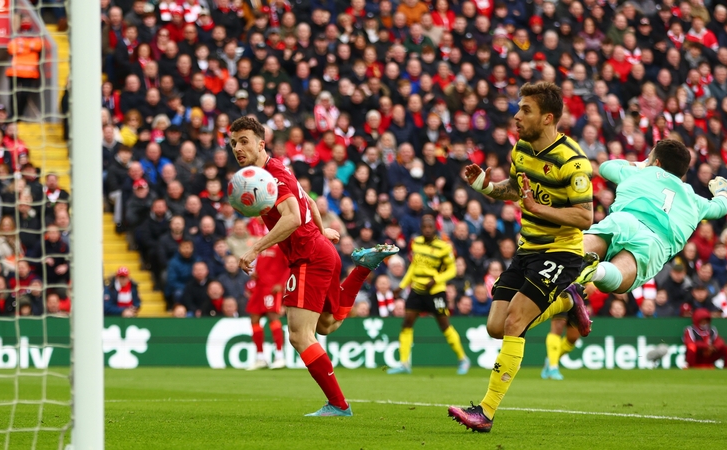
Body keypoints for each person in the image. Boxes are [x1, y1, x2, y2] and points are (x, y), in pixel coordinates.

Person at [448, 82, 594, 433]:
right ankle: (567, 301)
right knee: (496, 326)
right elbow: (514, 189)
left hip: (561, 250)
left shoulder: (573, 161)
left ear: (547, 117)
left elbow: (585, 217)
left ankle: (485, 411)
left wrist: (537, 207)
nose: (516, 115)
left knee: (515, 322)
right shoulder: (522, 149)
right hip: (528, 248)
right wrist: (485, 186)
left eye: (525, 110)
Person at [229, 116, 398, 417]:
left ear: (260, 144)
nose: (237, 148)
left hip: (308, 257)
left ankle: (338, 404)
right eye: (233, 143)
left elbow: (292, 217)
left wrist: (254, 248)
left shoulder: (273, 174)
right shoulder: (277, 170)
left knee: (299, 335)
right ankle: (362, 269)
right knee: (326, 325)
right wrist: (321, 232)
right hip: (320, 251)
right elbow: (307, 198)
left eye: (243, 141)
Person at [572, 139, 727, 300]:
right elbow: (720, 208)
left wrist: (641, 164)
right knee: (618, 273)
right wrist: (724, 192)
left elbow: (606, 167)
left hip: (625, 219)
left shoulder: (641, 172)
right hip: (655, 242)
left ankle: (565, 258)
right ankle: (595, 272)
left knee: (595, 240)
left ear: (656, 162)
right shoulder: (694, 201)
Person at [387, 214, 470, 375]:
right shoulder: (416, 243)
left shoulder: (444, 247)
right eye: (424, 227)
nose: (427, 229)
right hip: (417, 289)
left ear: (435, 228)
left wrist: (436, 279)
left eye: (430, 227)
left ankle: (463, 359)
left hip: (435, 291)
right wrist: (402, 286)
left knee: (444, 325)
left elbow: (452, 270)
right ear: (421, 228)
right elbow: (413, 266)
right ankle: (404, 363)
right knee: (407, 323)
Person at [245, 244, 290, 370]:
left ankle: (280, 356)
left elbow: (289, 266)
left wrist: (281, 283)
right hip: (259, 287)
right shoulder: (262, 245)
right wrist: (255, 273)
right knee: (254, 319)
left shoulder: (281, 246)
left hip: (272, 287)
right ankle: (260, 358)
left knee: (273, 317)